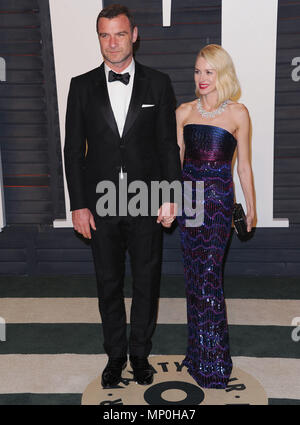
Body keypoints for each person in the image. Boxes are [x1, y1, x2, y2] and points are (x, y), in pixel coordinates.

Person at [64, 4, 181, 388]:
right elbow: (71, 150)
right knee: (108, 282)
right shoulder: (80, 86)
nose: (112, 43)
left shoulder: (158, 83)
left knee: (147, 281)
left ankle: (140, 355)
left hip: (147, 201)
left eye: (119, 34)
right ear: (98, 37)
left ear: (134, 35)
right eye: (104, 35)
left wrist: (170, 195)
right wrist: (78, 205)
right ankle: (115, 356)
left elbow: (167, 146)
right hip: (99, 203)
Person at [176, 44, 255, 389]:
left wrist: (252, 208)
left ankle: (215, 361)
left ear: (222, 74)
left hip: (220, 205)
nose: (202, 78)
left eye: (209, 71)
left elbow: (245, 166)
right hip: (189, 206)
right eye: (197, 71)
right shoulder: (183, 112)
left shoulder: (238, 113)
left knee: (210, 278)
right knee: (194, 280)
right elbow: (175, 166)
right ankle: (197, 354)